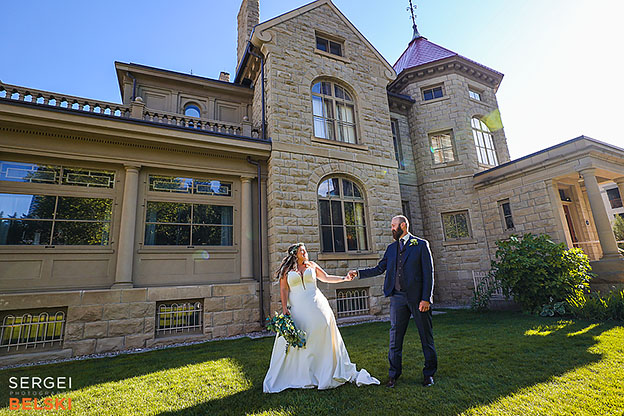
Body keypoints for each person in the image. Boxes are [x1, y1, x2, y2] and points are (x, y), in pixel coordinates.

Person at [263, 243, 379, 393]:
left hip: (317, 305)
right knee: (301, 337)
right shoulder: (287, 270)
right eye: (302, 251)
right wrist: (284, 308)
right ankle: (301, 373)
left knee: (321, 333)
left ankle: (324, 368)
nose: (305, 253)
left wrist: (344, 279)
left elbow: (326, 277)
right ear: (294, 254)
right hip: (297, 308)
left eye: (305, 250)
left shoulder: (312, 265)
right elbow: (284, 289)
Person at [348, 215, 437, 388]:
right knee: (395, 338)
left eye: (393, 226)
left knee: (426, 337)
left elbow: (429, 273)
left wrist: (426, 298)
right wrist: (358, 273)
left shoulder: (420, 245)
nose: (391, 229)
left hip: (418, 299)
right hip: (397, 298)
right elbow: (379, 269)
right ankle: (393, 375)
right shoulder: (391, 248)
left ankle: (429, 374)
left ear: (403, 226)